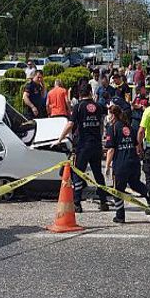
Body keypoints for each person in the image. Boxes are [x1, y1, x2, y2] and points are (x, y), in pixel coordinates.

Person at [55, 84, 109, 212]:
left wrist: (60, 139)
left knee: (78, 174)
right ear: (91, 92)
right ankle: (103, 202)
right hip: (96, 145)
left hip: (83, 146)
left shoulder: (78, 107)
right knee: (98, 174)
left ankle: (77, 204)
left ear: (79, 94)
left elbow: (70, 124)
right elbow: (103, 121)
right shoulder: (98, 106)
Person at [105, 105, 149, 223]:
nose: (108, 117)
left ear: (113, 115)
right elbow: (137, 145)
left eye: (109, 114)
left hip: (121, 164)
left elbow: (111, 150)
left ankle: (120, 216)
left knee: (118, 190)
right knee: (135, 184)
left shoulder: (113, 128)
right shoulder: (129, 127)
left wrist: (107, 166)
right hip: (133, 162)